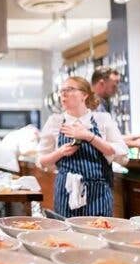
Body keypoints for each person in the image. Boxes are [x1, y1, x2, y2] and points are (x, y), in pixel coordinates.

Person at [38, 77, 128, 217]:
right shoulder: (55, 121)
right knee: (67, 236)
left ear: (85, 95)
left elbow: (118, 150)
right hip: (66, 191)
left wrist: (89, 136)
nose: (64, 94)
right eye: (62, 91)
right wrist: (61, 152)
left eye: (69, 89)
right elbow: (42, 160)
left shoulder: (102, 119)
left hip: (98, 192)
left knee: (98, 232)